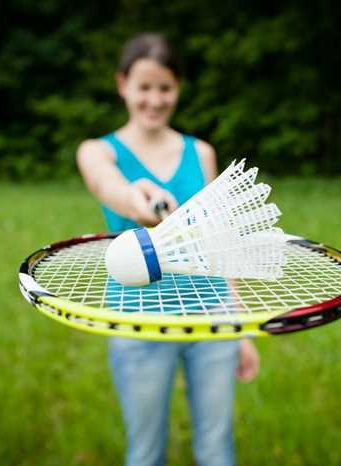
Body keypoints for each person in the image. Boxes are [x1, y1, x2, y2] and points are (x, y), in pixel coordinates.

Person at [76, 32, 260, 466]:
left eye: (165, 88)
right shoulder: (99, 151)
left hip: (210, 317)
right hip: (139, 323)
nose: (154, 100)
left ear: (177, 89)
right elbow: (108, 185)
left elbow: (219, 245)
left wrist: (240, 329)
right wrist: (134, 200)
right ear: (123, 84)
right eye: (144, 87)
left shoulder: (202, 153)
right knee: (144, 454)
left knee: (217, 449)